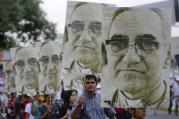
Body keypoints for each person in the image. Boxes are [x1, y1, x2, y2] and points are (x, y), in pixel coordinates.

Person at [101, 8, 170, 108]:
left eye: (146, 44)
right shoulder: (104, 104)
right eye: (118, 44)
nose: (130, 58)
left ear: (167, 54)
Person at [62, 2, 103, 93]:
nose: (85, 38)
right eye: (77, 27)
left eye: (96, 28)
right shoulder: (62, 74)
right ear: (68, 33)